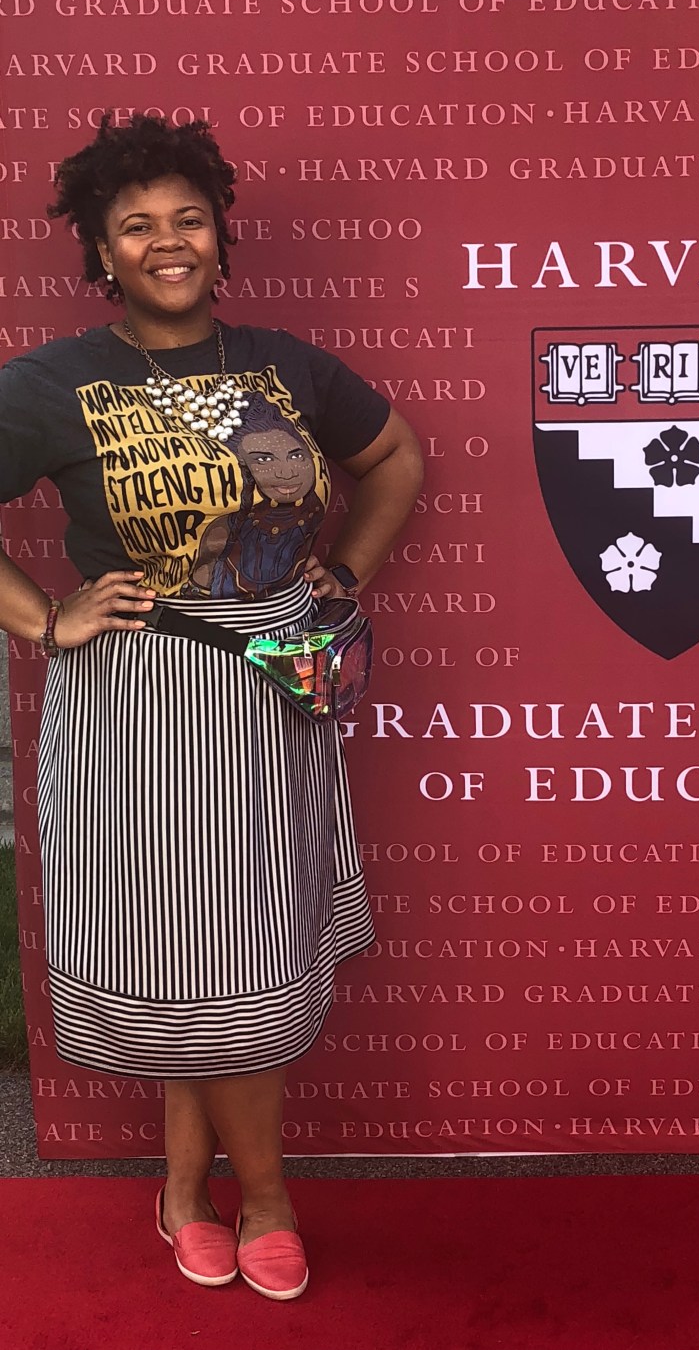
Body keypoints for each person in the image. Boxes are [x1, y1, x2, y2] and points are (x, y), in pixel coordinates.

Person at [0, 112, 424, 1300]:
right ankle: (259, 1196)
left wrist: (345, 570)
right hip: (138, 702)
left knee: (232, 950)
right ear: (100, 250)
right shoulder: (56, 380)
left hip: (270, 692)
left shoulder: (287, 366)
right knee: (190, 953)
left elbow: (394, 458)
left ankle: (191, 1189)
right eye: (135, 225)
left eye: (187, 218)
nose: (167, 241)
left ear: (220, 235)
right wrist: (44, 617)